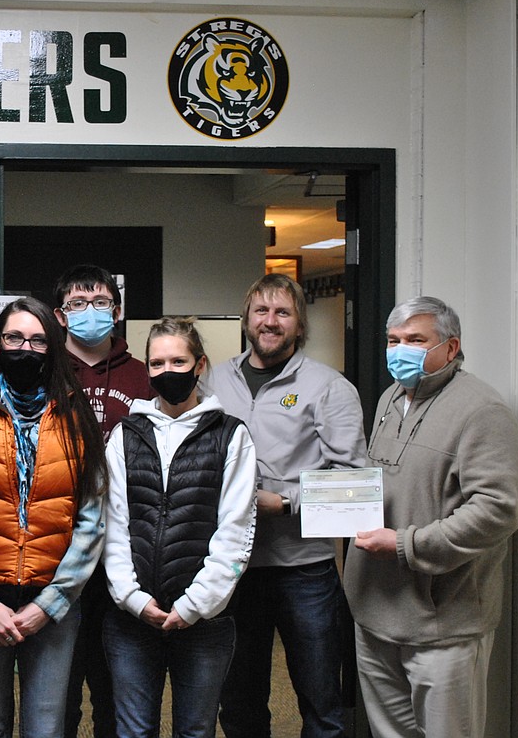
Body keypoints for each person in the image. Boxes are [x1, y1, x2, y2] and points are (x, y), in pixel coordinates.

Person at [343, 296, 518, 738]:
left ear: (450, 346)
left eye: (415, 339)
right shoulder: (390, 397)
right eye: (393, 340)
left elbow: (497, 510)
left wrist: (407, 545)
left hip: (442, 622)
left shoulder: (482, 410)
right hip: (375, 611)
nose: (399, 349)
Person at [0, 296, 107, 738]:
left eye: (37, 340)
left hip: (53, 603)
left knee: (45, 727)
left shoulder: (77, 415)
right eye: (14, 337)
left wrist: (50, 605)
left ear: (52, 347)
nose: (24, 348)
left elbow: (92, 519)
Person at [209, 273, 366, 738]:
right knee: (238, 703)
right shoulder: (215, 379)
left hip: (304, 570)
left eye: (283, 312)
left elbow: (353, 484)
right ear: (247, 319)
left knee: (321, 703)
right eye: (261, 311)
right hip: (232, 568)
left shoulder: (328, 387)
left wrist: (284, 503)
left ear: (300, 325)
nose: (270, 321)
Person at [104, 316, 257, 738]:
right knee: (134, 731)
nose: (166, 372)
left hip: (204, 622)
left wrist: (194, 606)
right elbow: (113, 523)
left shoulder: (231, 435)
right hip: (133, 620)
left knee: (195, 730)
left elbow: (236, 529)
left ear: (200, 364)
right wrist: (132, 599)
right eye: (156, 364)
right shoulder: (125, 434)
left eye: (178, 361)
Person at [52, 263, 153, 738]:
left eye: (100, 303)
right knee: (60, 694)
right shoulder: (43, 372)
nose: (90, 312)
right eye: (77, 304)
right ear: (59, 315)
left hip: (125, 553)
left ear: (117, 310)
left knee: (117, 693)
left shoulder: (145, 376)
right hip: (58, 552)